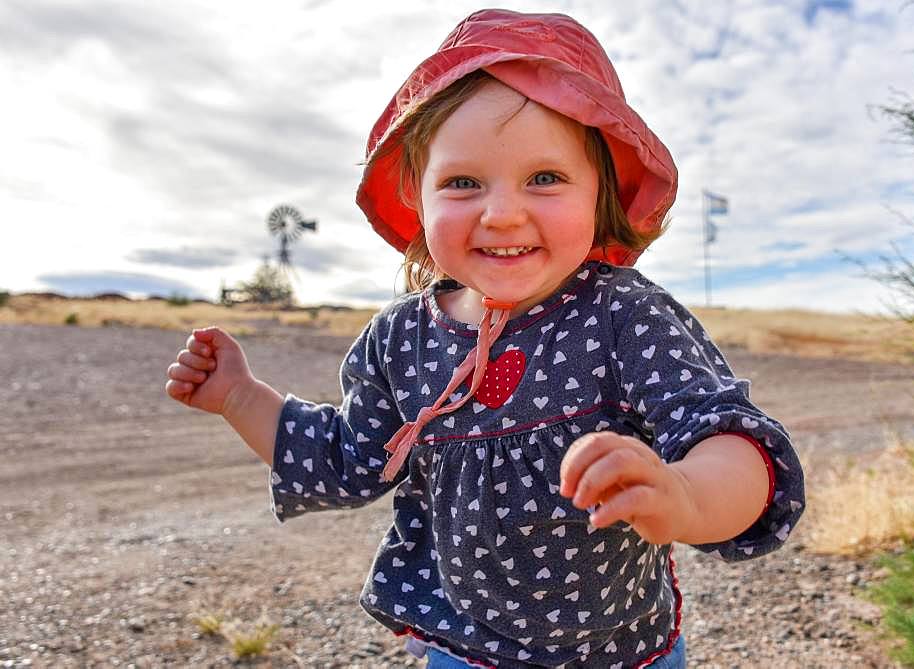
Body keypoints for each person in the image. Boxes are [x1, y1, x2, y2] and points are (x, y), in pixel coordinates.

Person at [165, 9, 805, 668]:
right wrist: (240, 398)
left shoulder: (622, 316)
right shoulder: (400, 338)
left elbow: (728, 435)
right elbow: (346, 460)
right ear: (419, 196)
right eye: (463, 182)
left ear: (599, 192)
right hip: (465, 647)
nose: (502, 212)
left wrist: (689, 495)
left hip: (621, 650)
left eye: (545, 178)